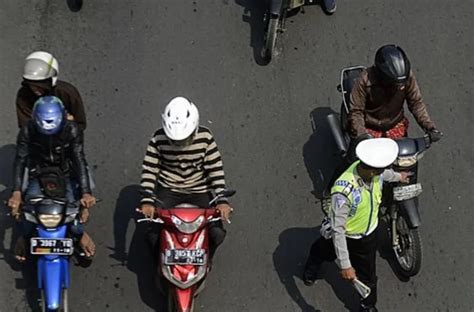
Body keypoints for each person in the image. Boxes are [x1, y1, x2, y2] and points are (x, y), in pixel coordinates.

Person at [303, 138, 410, 312]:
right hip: (347, 235)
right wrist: (345, 265)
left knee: (368, 277)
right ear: (370, 169)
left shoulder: (374, 173)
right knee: (324, 251)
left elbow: (386, 175)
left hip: (368, 236)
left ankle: (367, 306)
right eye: (379, 169)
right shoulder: (343, 191)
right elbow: (338, 230)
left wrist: (400, 176)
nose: (382, 172)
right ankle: (312, 265)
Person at [137, 96, 233, 259]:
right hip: (169, 189)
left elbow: (215, 169)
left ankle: (206, 259)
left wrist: (222, 200)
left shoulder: (205, 138)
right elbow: (150, 170)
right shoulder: (158, 139)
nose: (178, 145)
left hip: (199, 190)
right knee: (152, 236)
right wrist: (147, 200)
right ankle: (159, 265)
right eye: (173, 140)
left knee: (217, 234)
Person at [7, 96, 96, 262]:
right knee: (26, 209)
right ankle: (24, 239)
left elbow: (78, 159)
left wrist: (86, 193)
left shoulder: (72, 129)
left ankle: (80, 234)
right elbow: (20, 160)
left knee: (75, 207)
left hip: (66, 172)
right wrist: (17, 191)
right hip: (37, 173)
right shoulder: (27, 131)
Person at [348, 44, 442, 142]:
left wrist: (429, 127)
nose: (401, 87)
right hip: (369, 129)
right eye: (395, 84)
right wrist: (362, 135)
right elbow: (356, 112)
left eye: (402, 83)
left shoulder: (407, 77)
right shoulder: (364, 80)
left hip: (395, 126)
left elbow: (416, 103)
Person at [16, 51, 87, 131]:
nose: (35, 90)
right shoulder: (24, 94)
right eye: (32, 86)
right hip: (36, 140)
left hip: (66, 139)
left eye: (40, 86)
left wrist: (68, 124)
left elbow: (80, 124)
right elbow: (25, 125)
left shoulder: (66, 92)